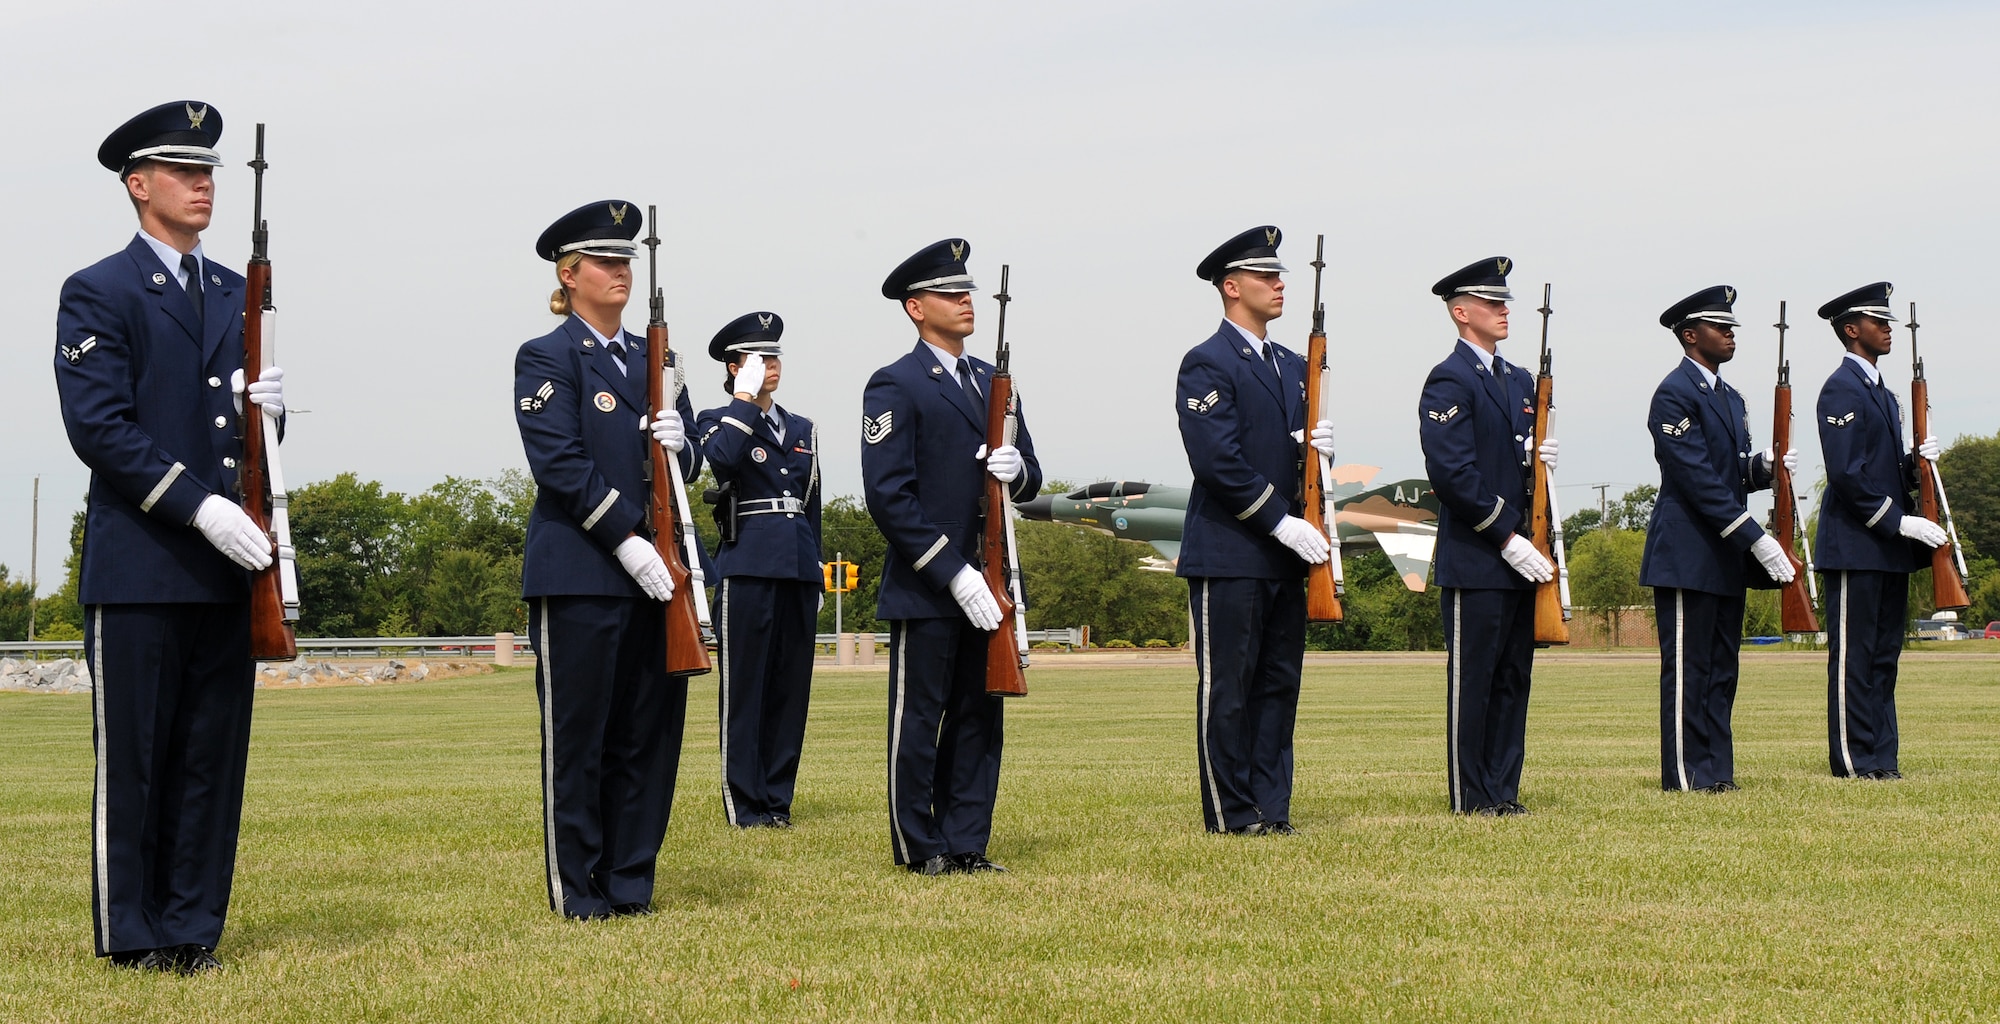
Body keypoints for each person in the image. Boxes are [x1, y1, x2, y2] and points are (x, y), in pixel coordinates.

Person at [55, 100, 288, 973]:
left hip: (229, 570)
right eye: (185, 172)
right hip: (144, 562)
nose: (203, 185)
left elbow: (241, 439)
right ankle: (134, 935)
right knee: (138, 763)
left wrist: (271, 420)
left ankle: (192, 928)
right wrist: (200, 507)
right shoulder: (100, 290)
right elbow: (102, 427)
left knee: (209, 759)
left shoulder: (235, 291)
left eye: (211, 173)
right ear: (138, 183)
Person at [513, 200, 701, 917]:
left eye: (627, 260)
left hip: (660, 578)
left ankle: (630, 882)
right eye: (606, 261)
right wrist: (628, 537)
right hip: (585, 570)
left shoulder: (662, 361)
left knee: (645, 738)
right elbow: (559, 465)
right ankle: (579, 889)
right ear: (570, 273)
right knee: (580, 738)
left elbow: (694, 473)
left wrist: (690, 441)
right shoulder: (549, 355)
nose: (621, 271)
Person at [861, 238, 1041, 875]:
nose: (966, 301)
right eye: (949, 293)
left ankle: (967, 842)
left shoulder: (995, 385)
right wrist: (950, 570)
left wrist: (1016, 472)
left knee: (977, 715)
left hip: (990, 576)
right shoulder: (897, 383)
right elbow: (889, 495)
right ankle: (919, 847)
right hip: (930, 583)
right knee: (920, 720)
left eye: (967, 291)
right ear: (915, 307)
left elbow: (1031, 476)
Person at [1174, 225, 1336, 836]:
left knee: (1277, 687)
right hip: (1232, 550)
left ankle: (1274, 808)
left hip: (1284, 557)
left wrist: (1314, 454)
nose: (1279, 284)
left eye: (1280, 275)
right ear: (1231, 286)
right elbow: (1217, 462)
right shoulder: (1208, 362)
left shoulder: (1296, 366)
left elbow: (1295, 459)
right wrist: (1279, 520)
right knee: (1229, 690)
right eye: (1267, 277)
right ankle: (1231, 812)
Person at [1639, 286, 1798, 793]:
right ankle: (1687, 774)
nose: (1730, 335)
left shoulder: (1731, 398)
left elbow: (1730, 472)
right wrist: (1756, 537)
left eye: (1731, 327)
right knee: (1689, 669)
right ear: (1690, 335)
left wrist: (1763, 469)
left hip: (1724, 552)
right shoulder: (1674, 393)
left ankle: (1716, 773)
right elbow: (1695, 477)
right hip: (1688, 551)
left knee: (1722, 670)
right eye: (1719, 327)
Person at [1415, 257, 1559, 816]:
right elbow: (1452, 473)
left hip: (1524, 555)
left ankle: (1504, 791)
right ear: (1460, 311)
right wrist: (1506, 534)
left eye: (1504, 302)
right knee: (1473, 683)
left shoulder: (1521, 380)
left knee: (1512, 680)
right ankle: (1471, 794)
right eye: (1491, 302)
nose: (1503, 310)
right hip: (1479, 555)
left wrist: (1540, 466)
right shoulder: (1450, 377)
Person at [1812, 282, 1945, 780]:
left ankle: (1882, 759)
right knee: (1854, 659)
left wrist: (1915, 467)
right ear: (1852, 330)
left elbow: (1882, 468)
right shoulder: (1840, 388)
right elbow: (1847, 474)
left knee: (1884, 658)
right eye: (1878, 322)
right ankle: (1853, 760)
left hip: (1886, 547)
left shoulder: (1883, 393)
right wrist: (1899, 519)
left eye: (1887, 321)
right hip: (1855, 544)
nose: (1888, 329)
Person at [695, 312, 822, 829]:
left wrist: (814, 564)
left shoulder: (802, 427)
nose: (771, 365)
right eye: (759, 358)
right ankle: (744, 803)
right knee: (745, 688)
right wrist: (742, 401)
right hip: (746, 565)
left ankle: (776, 800)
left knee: (791, 690)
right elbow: (723, 460)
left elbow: (811, 502)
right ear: (733, 366)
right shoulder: (714, 419)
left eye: (774, 357)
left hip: (796, 565)